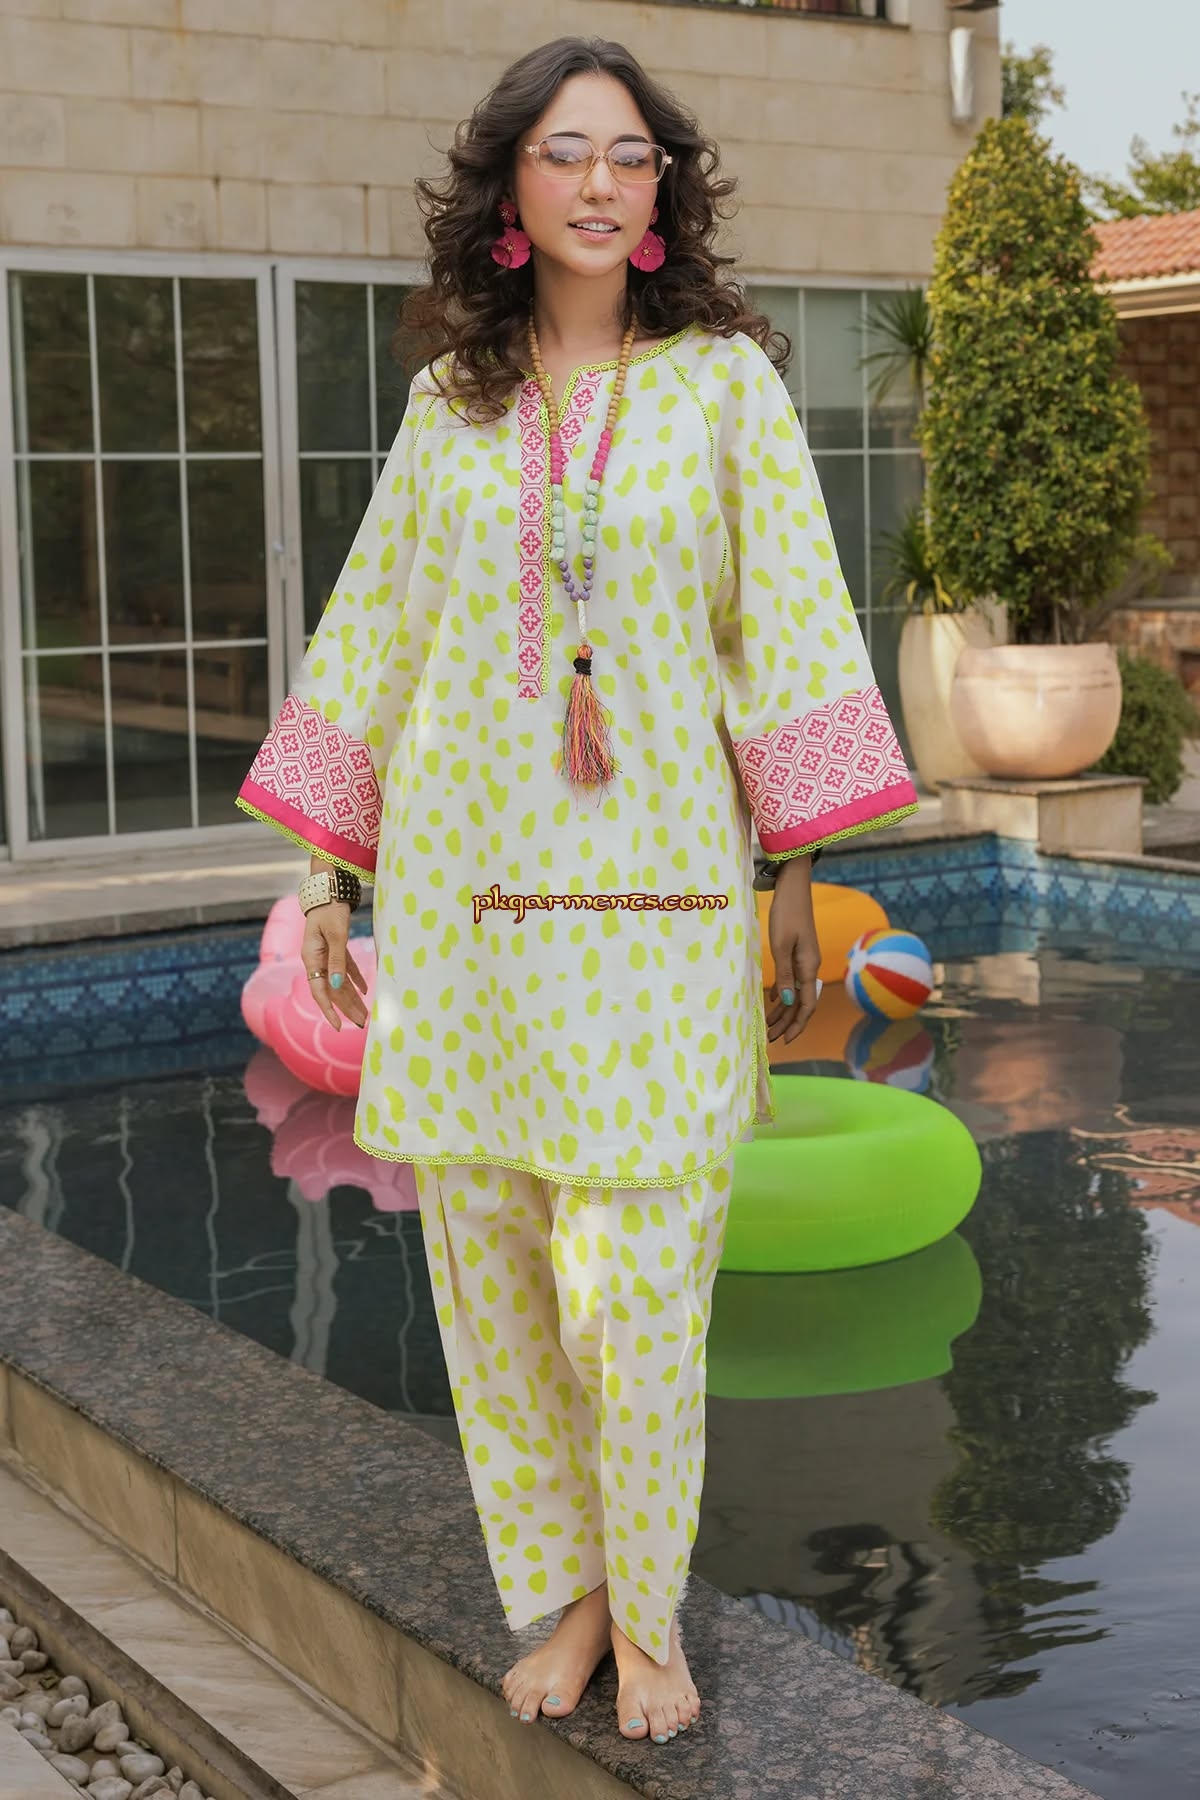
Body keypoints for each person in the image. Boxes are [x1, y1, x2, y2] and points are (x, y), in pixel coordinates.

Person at [237, 34, 917, 1749]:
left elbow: (790, 625)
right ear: (512, 191)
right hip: (470, 914)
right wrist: (332, 866)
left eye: (630, 154)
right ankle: (576, 1596)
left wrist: (793, 865)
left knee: (637, 1295)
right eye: (565, 152)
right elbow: (375, 634)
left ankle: (650, 1608)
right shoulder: (450, 408)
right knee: (498, 1282)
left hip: (658, 909)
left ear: (664, 190)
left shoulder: (725, 388)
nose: (602, 181)